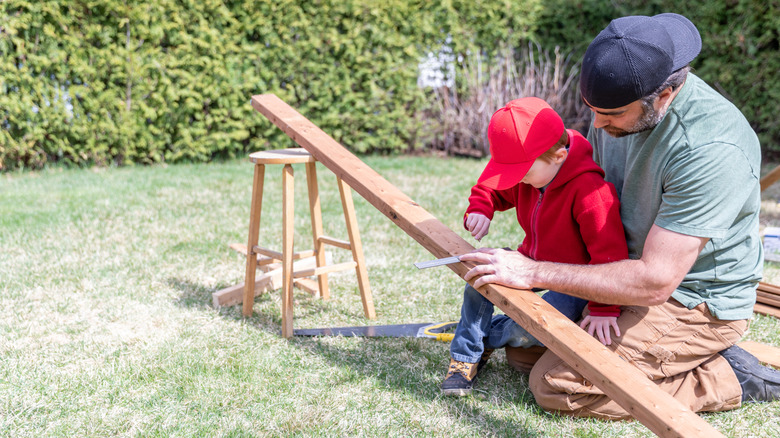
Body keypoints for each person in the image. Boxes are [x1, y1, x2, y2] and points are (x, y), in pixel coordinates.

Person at [460, 13, 780, 418]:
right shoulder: (621, 107)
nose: (595, 124)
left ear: (663, 95)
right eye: (592, 109)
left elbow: (655, 281)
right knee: (522, 356)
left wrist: (533, 271)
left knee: (557, 386)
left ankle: (729, 376)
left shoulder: (711, 148)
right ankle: (667, 360)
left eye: (611, 115)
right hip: (620, 275)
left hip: (692, 300)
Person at [442, 97, 628, 396]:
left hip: (572, 282)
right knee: (479, 278)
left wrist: (604, 307)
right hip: (528, 261)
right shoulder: (534, 172)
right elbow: (494, 187)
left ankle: (487, 336)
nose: (519, 183)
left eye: (523, 175)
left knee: (532, 326)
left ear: (558, 156)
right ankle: (465, 357)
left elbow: (610, 255)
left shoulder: (591, 193)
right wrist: (481, 207)